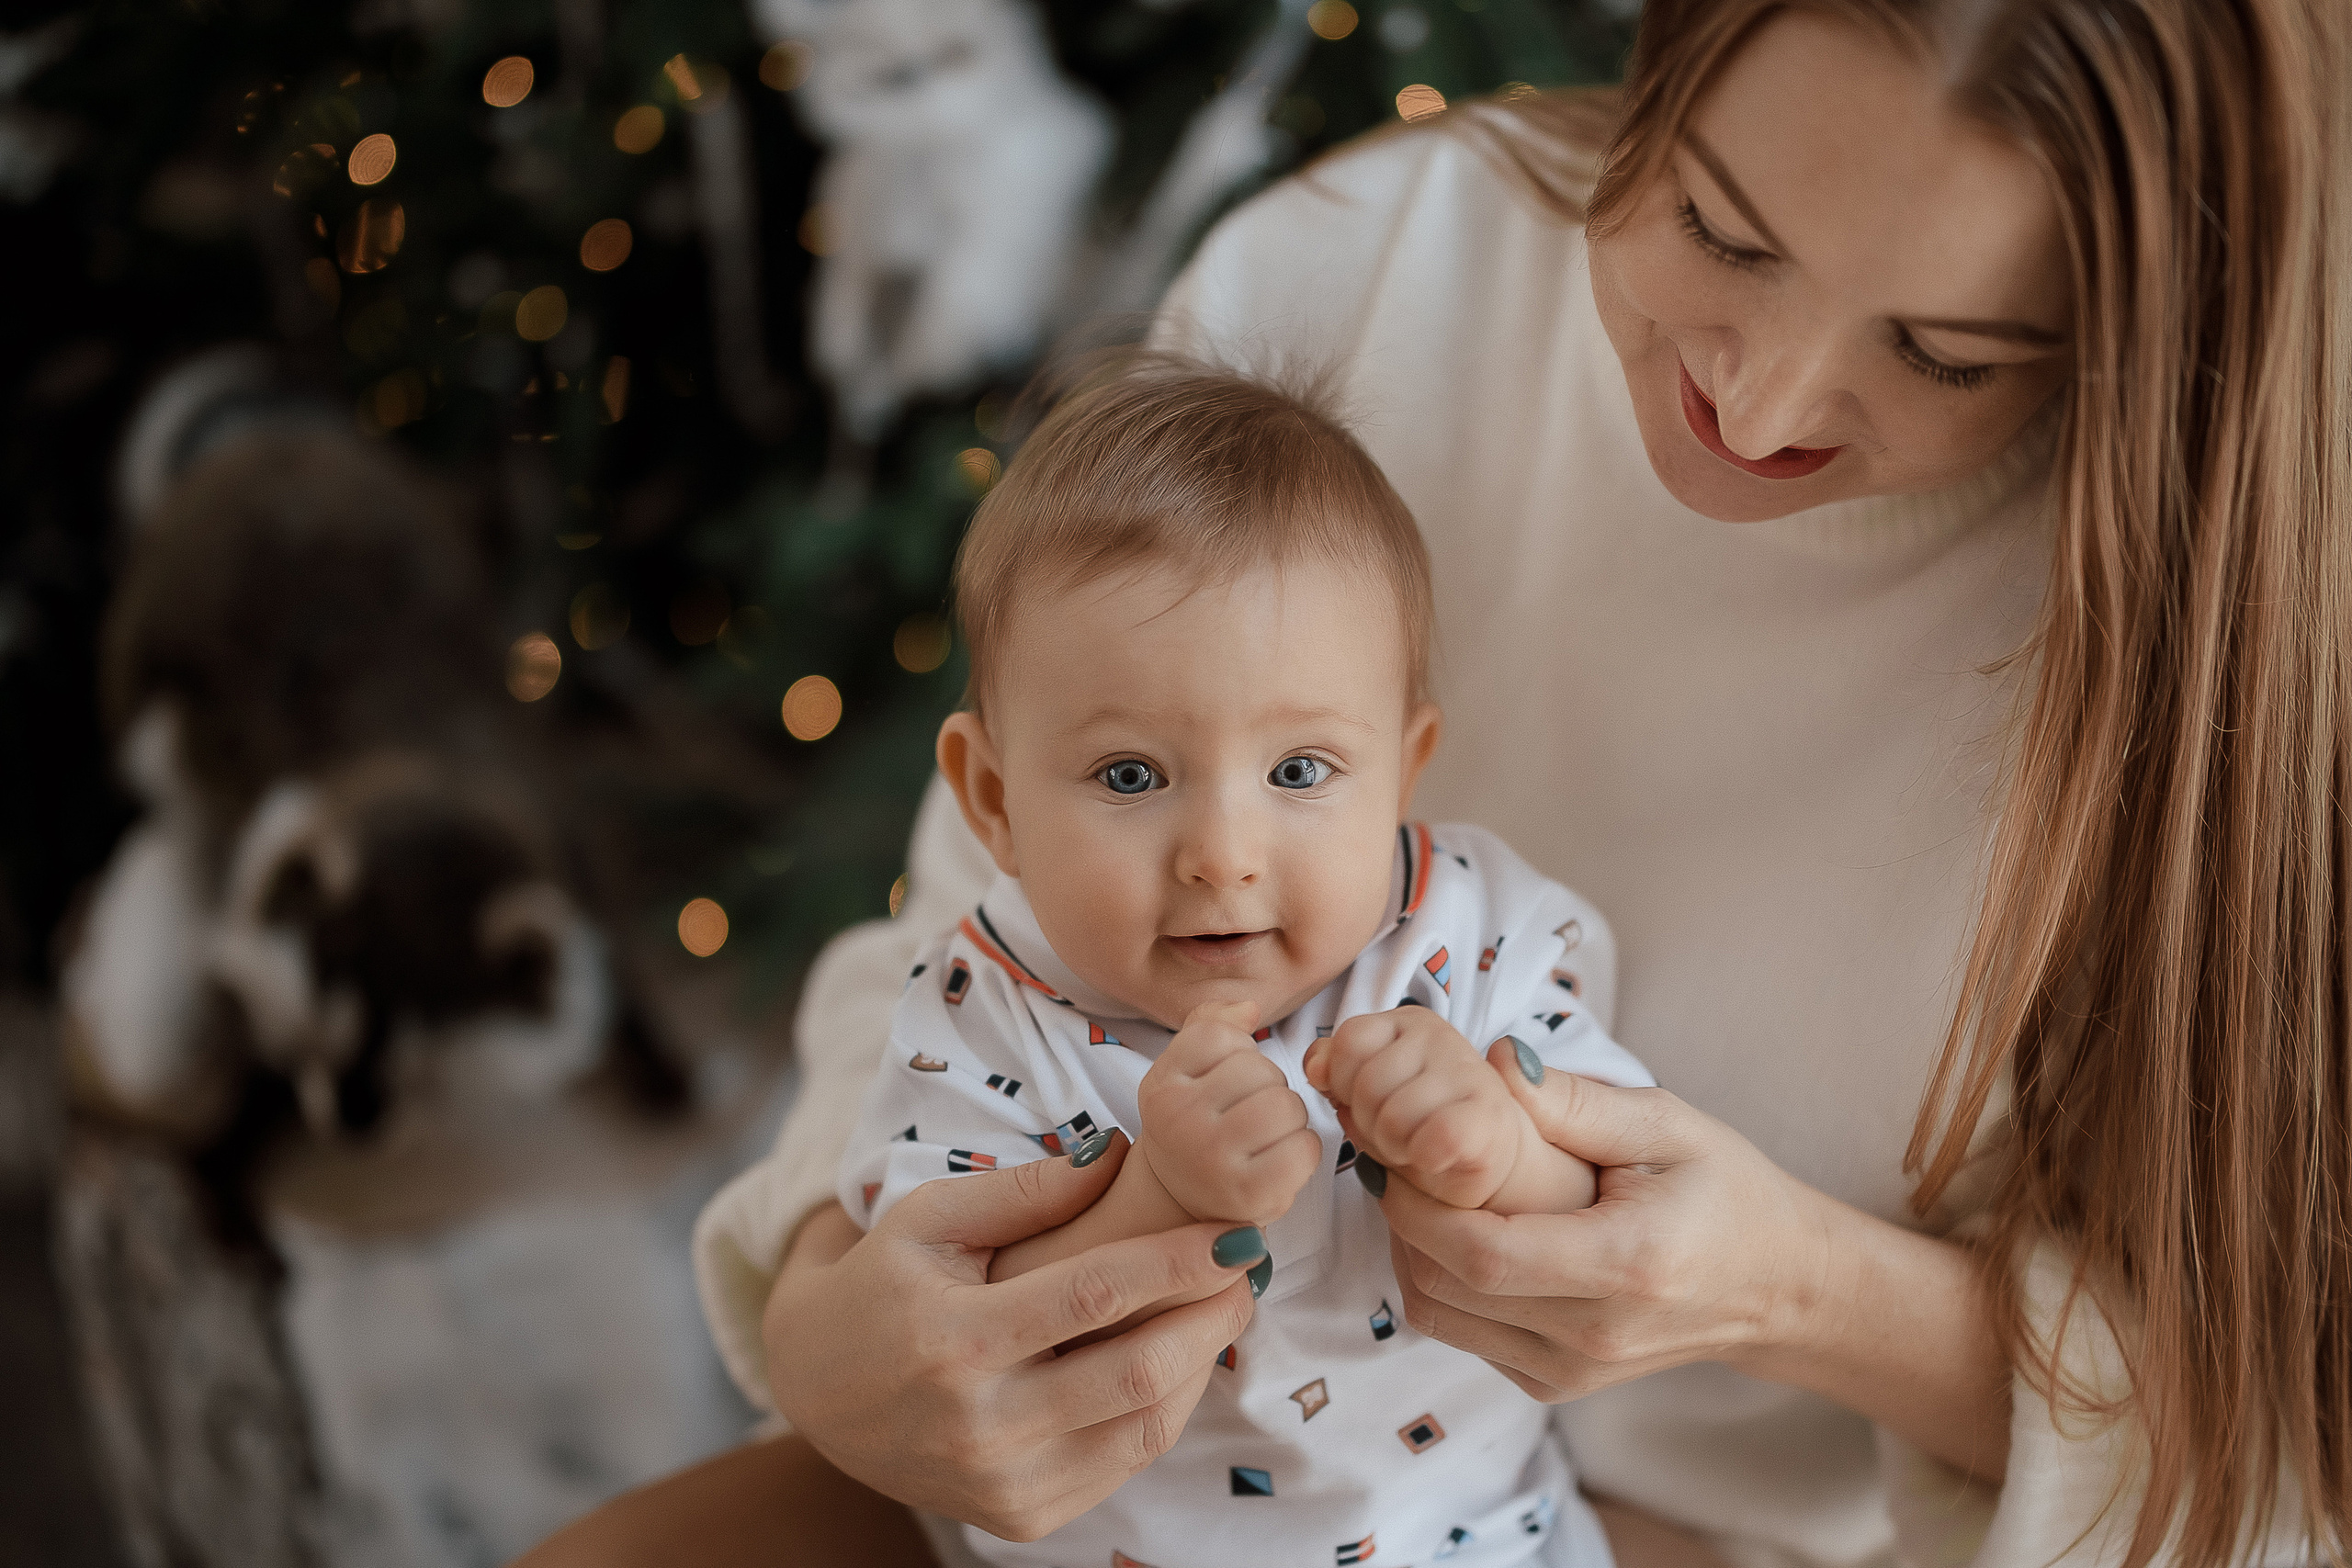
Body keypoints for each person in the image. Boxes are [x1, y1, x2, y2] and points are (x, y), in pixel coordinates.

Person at [517, 3, 2348, 1566]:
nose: (1763, 397)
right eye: (1715, 227)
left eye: (1948, 353)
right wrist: (844, 1311)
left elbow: (2285, 1458)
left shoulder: (2255, 629)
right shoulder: (1367, 276)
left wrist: (1794, 1287)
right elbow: (969, 948)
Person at [840, 356, 1656, 1568]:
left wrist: (1493, 1145)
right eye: (1131, 776)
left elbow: (1617, 1211)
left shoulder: (1468, 936)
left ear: (1404, 764)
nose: (1223, 857)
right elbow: (958, 1333)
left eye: (1299, 773)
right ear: (993, 799)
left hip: (1481, 1547)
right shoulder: (984, 1011)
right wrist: (1156, 1199)